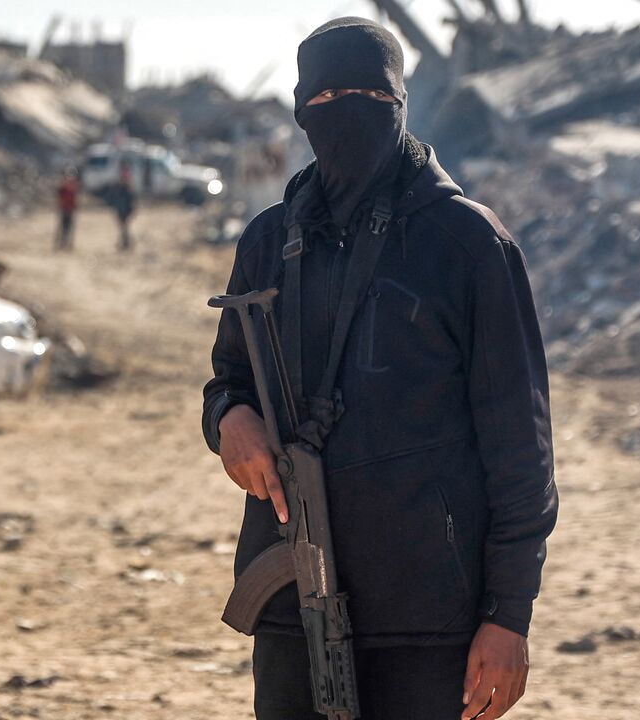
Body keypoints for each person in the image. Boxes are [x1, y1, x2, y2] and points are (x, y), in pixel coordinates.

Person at [202, 18, 557, 720]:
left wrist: (508, 615)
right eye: (326, 97)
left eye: (366, 93)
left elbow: (522, 447)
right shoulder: (269, 241)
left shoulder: (467, 243)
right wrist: (228, 422)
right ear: (302, 111)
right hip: (289, 598)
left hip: (429, 619)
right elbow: (227, 380)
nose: (344, 111)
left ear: (399, 104)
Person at [111, 160, 136, 251]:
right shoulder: (122, 186)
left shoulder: (127, 187)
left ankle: (126, 243)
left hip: (125, 209)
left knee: (124, 227)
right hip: (122, 209)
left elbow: (130, 200)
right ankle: (125, 242)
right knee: (123, 227)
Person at [55, 166, 80, 251]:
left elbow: (75, 199)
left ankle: (68, 244)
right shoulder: (63, 187)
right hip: (64, 209)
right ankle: (61, 244)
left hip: (70, 210)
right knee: (62, 228)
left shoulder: (74, 187)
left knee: (69, 228)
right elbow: (59, 196)